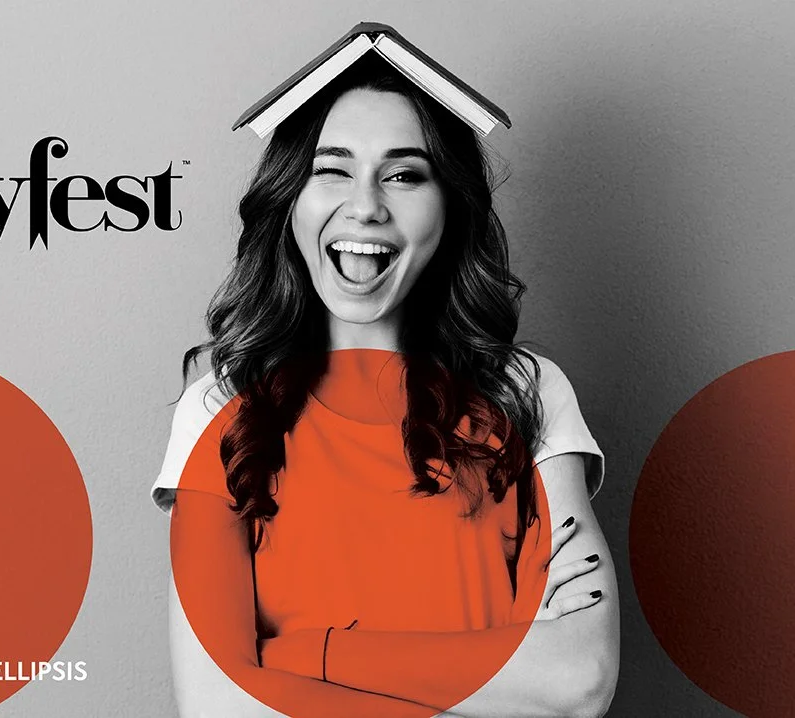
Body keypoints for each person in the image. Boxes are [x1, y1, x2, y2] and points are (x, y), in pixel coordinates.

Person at [151, 50, 619, 717]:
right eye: (332, 170)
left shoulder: (526, 393)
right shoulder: (221, 408)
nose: (366, 206)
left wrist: (305, 656)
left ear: (449, 206)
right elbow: (217, 704)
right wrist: (499, 682)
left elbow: (579, 682)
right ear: (290, 200)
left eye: (403, 175)